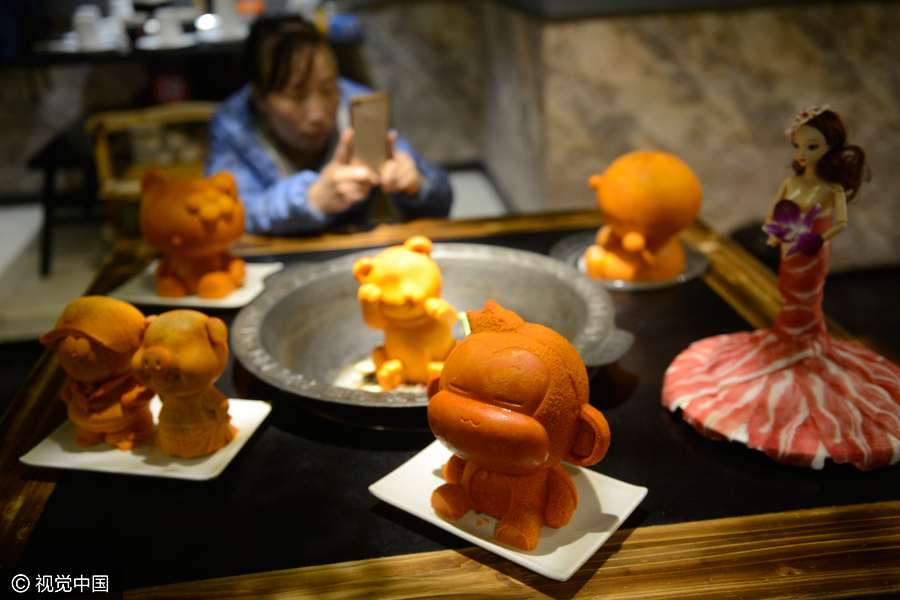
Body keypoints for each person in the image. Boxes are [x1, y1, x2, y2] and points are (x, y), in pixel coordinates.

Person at [662, 106, 900, 472]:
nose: (802, 155)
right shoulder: (794, 182)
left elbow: (839, 221)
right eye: (799, 146)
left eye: (813, 147)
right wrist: (777, 235)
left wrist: (817, 238)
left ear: (831, 148)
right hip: (790, 248)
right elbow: (776, 211)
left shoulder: (828, 188)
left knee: (807, 295)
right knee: (787, 292)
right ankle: (788, 336)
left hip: (811, 251)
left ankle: (803, 340)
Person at [204, 16, 453, 235]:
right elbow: (227, 215)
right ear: (260, 98)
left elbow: (441, 201)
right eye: (296, 96)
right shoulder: (232, 124)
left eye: (328, 89)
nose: (317, 114)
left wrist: (415, 185)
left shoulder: (361, 107)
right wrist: (311, 199)